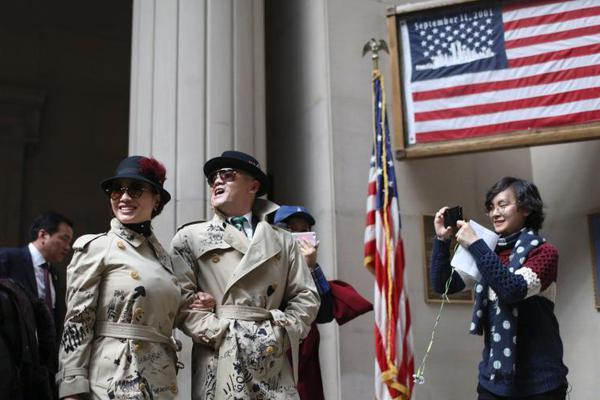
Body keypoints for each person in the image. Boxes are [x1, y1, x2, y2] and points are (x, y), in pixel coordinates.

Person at [56, 156, 221, 400]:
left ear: (156, 200)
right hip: (111, 383)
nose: (124, 197)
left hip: (160, 380)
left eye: (135, 190)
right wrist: (72, 388)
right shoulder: (97, 247)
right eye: (116, 190)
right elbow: (77, 323)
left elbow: (169, 313)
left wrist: (198, 303)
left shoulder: (167, 260)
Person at [171, 150, 320, 400]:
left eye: (227, 175)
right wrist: (220, 332)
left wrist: (279, 336)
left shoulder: (283, 240)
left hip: (271, 357)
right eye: (212, 178)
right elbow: (179, 299)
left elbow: (305, 296)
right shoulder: (189, 238)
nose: (217, 181)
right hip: (219, 356)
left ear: (253, 185)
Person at [430, 177, 568, 399]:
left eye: (503, 205)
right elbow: (444, 285)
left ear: (525, 208)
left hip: (541, 383)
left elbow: (512, 289)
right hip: (493, 383)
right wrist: (441, 240)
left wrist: (475, 244)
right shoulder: (488, 251)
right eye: (491, 207)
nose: (495, 213)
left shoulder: (545, 253)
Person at [273, 205, 372, 400]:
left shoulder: (310, 272)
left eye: (304, 230)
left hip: (302, 363)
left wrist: (311, 267)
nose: (298, 235)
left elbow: (325, 313)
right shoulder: (260, 266)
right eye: (290, 229)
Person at [0, 211, 74, 327]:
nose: (68, 247)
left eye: (69, 242)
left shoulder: (54, 274)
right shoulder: (7, 259)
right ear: (43, 235)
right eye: (64, 239)